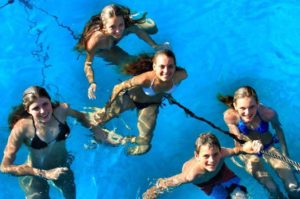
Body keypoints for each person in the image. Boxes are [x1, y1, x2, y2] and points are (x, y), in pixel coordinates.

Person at [0, 86, 117, 199]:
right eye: (36, 108)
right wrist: (44, 174)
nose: (43, 111)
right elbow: (4, 166)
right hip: (35, 175)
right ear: (28, 110)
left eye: (45, 104)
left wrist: (95, 130)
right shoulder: (22, 127)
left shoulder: (61, 111)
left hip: (62, 167)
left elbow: (81, 117)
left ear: (50, 101)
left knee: (71, 196)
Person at [87, 49, 188, 155]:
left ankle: (125, 141)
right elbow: (118, 87)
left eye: (170, 66)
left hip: (150, 105)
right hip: (130, 98)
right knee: (97, 121)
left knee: (145, 145)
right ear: (154, 67)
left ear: (175, 66)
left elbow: (170, 85)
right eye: (162, 66)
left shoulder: (181, 75)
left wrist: (169, 95)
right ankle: (94, 140)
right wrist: (108, 106)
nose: (166, 71)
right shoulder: (146, 79)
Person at [219, 85, 300, 199]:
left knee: (293, 186)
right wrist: (247, 146)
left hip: (268, 146)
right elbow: (237, 138)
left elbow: (278, 130)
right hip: (247, 153)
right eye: (242, 108)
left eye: (252, 107)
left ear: (257, 103)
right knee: (272, 188)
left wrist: (286, 155)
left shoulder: (267, 113)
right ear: (235, 106)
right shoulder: (230, 116)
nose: (247, 113)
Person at [75, 4, 160, 99]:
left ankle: (132, 17)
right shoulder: (94, 41)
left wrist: (155, 45)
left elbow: (138, 31)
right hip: (104, 49)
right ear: (104, 25)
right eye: (112, 27)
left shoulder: (125, 25)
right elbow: (88, 64)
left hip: (122, 28)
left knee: (153, 28)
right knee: (130, 64)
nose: (118, 31)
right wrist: (92, 82)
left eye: (120, 25)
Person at [142, 132, 263, 199]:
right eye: (206, 156)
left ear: (220, 151)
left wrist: (253, 145)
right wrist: (151, 193)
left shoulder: (222, 153)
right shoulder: (192, 175)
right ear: (197, 155)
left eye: (215, 154)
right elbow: (167, 183)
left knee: (241, 197)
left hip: (222, 173)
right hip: (206, 184)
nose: (212, 160)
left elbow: (239, 149)